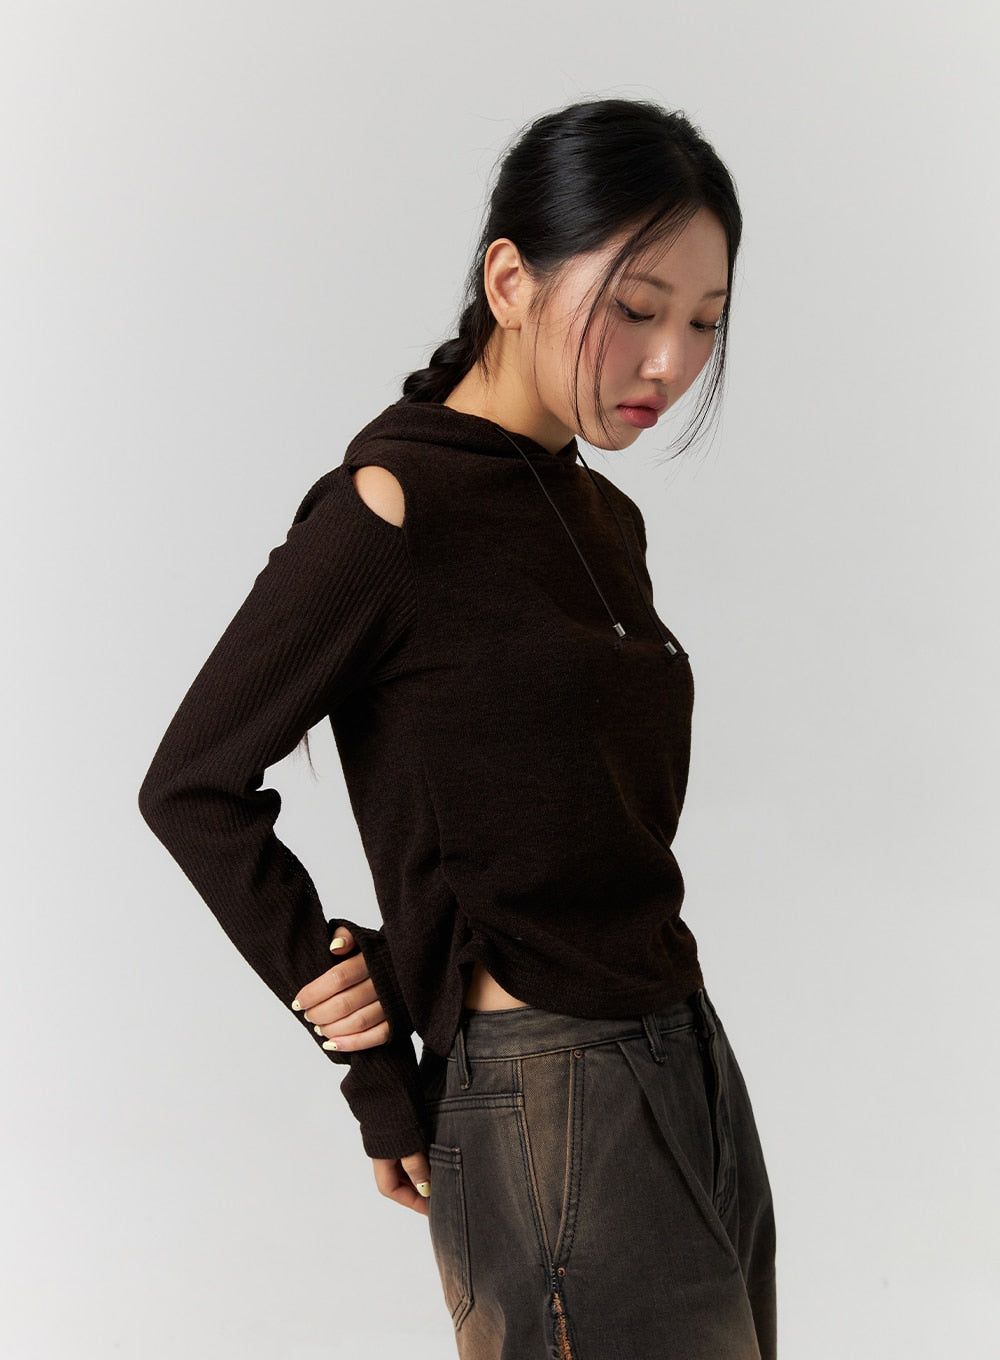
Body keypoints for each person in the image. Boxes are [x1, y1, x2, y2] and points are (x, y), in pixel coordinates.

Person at [139, 97, 776, 1359]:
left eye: (705, 321)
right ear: (510, 281)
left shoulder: (600, 520)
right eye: (636, 308)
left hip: (688, 1055)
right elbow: (193, 785)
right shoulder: (392, 506)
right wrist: (371, 1057)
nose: (669, 362)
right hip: (548, 1092)